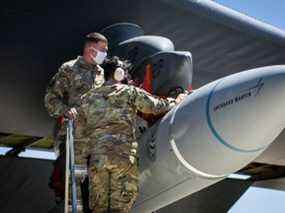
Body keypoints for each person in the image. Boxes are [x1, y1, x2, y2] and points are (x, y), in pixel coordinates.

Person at [74, 57, 186, 212]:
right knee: (120, 207)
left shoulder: (87, 99)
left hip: (98, 161)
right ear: (119, 73)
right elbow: (156, 106)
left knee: (99, 208)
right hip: (123, 158)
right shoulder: (129, 92)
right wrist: (176, 100)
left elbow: (78, 135)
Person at [44, 32, 108, 203]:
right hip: (74, 139)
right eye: (103, 50)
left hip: (95, 140)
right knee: (75, 190)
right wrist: (66, 110)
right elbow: (50, 99)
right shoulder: (69, 69)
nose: (105, 54)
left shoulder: (100, 72)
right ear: (90, 49)